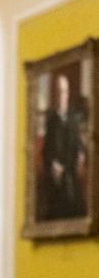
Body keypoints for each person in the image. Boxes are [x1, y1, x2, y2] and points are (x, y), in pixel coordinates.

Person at [40, 74, 87, 220]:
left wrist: (81, 155)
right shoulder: (51, 121)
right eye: (59, 92)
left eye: (65, 92)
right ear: (55, 94)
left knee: (76, 204)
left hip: (71, 171)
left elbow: (78, 144)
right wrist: (53, 165)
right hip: (56, 171)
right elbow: (46, 150)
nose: (62, 96)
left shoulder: (73, 119)